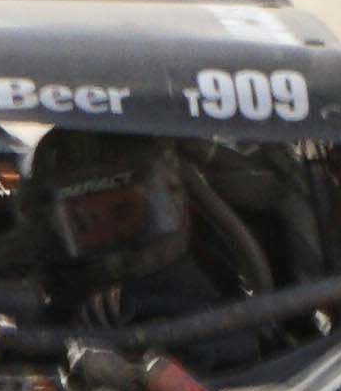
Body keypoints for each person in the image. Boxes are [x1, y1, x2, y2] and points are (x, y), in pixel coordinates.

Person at [28, 130, 236, 334]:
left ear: (173, 191)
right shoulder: (41, 308)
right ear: (55, 224)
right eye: (84, 223)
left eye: (123, 212)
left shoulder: (215, 283)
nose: (110, 237)